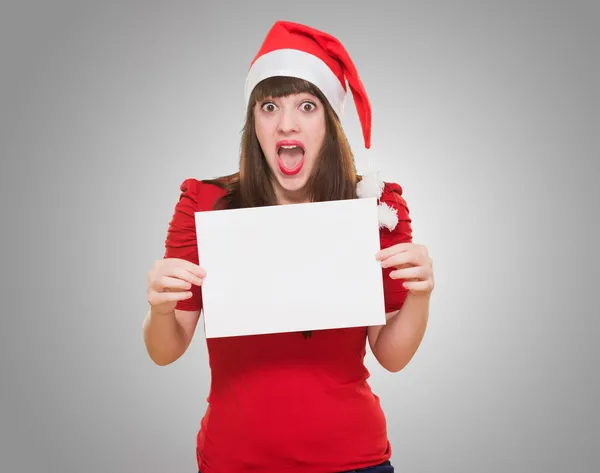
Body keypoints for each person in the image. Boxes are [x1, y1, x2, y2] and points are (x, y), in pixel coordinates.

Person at [142, 20, 434, 473]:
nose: (287, 124)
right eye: (270, 106)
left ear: (329, 122)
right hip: (234, 461)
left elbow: (391, 356)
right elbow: (165, 349)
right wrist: (160, 308)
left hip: (353, 461)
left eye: (307, 105)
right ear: (253, 122)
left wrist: (421, 294)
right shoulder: (206, 205)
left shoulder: (374, 209)